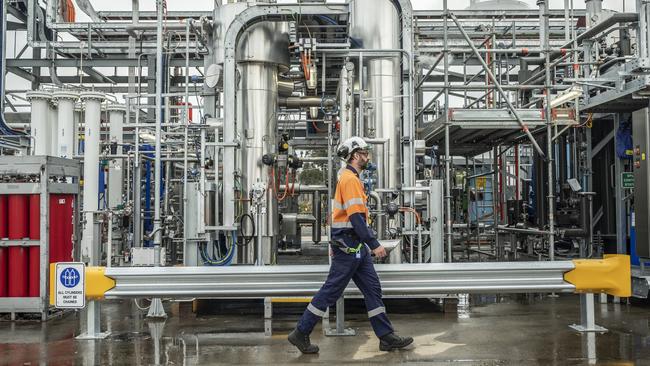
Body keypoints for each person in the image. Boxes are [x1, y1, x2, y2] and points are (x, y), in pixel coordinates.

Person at [288, 136, 413, 354]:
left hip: (353, 245)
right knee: (331, 290)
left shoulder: (350, 178)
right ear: (355, 156)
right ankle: (301, 332)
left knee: (372, 288)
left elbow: (339, 215)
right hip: (349, 245)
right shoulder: (350, 180)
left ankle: (386, 336)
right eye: (364, 153)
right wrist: (374, 244)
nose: (367, 156)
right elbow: (355, 218)